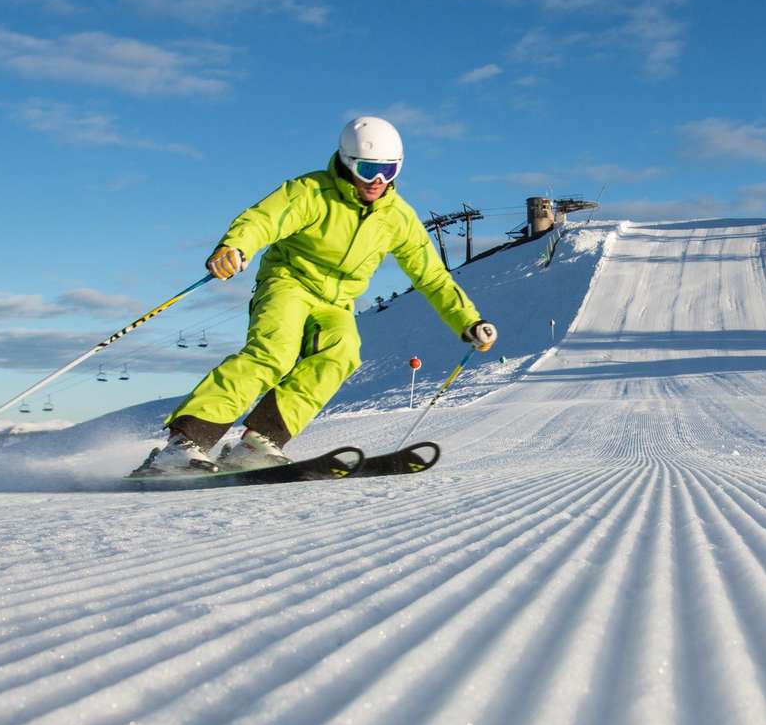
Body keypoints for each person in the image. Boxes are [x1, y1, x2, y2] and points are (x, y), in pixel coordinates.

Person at [133, 116, 497, 476]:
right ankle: (184, 441)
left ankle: (256, 442)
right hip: (288, 283)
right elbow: (264, 219)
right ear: (348, 161)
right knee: (275, 351)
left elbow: (431, 275)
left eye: (388, 170)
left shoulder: (397, 218)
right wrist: (235, 247)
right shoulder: (311, 192)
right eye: (369, 169)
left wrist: (468, 320)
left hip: (336, 302)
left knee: (342, 351)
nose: (378, 181)